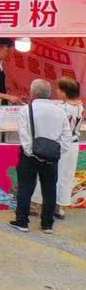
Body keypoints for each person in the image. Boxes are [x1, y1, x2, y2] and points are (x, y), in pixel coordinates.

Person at [12, 77, 66, 234]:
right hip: (51, 158)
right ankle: (47, 224)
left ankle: (22, 222)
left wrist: (31, 152)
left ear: (32, 93)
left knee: (25, 188)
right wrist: (56, 151)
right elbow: (66, 136)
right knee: (50, 190)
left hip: (29, 156)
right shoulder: (59, 111)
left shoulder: (26, 110)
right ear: (49, 93)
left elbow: (24, 135)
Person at [57, 77, 83, 216]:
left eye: (59, 89)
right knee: (67, 176)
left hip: (61, 144)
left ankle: (48, 204)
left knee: (55, 175)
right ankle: (61, 207)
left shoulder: (61, 108)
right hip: (73, 144)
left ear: (64, 92)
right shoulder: (80, 106)